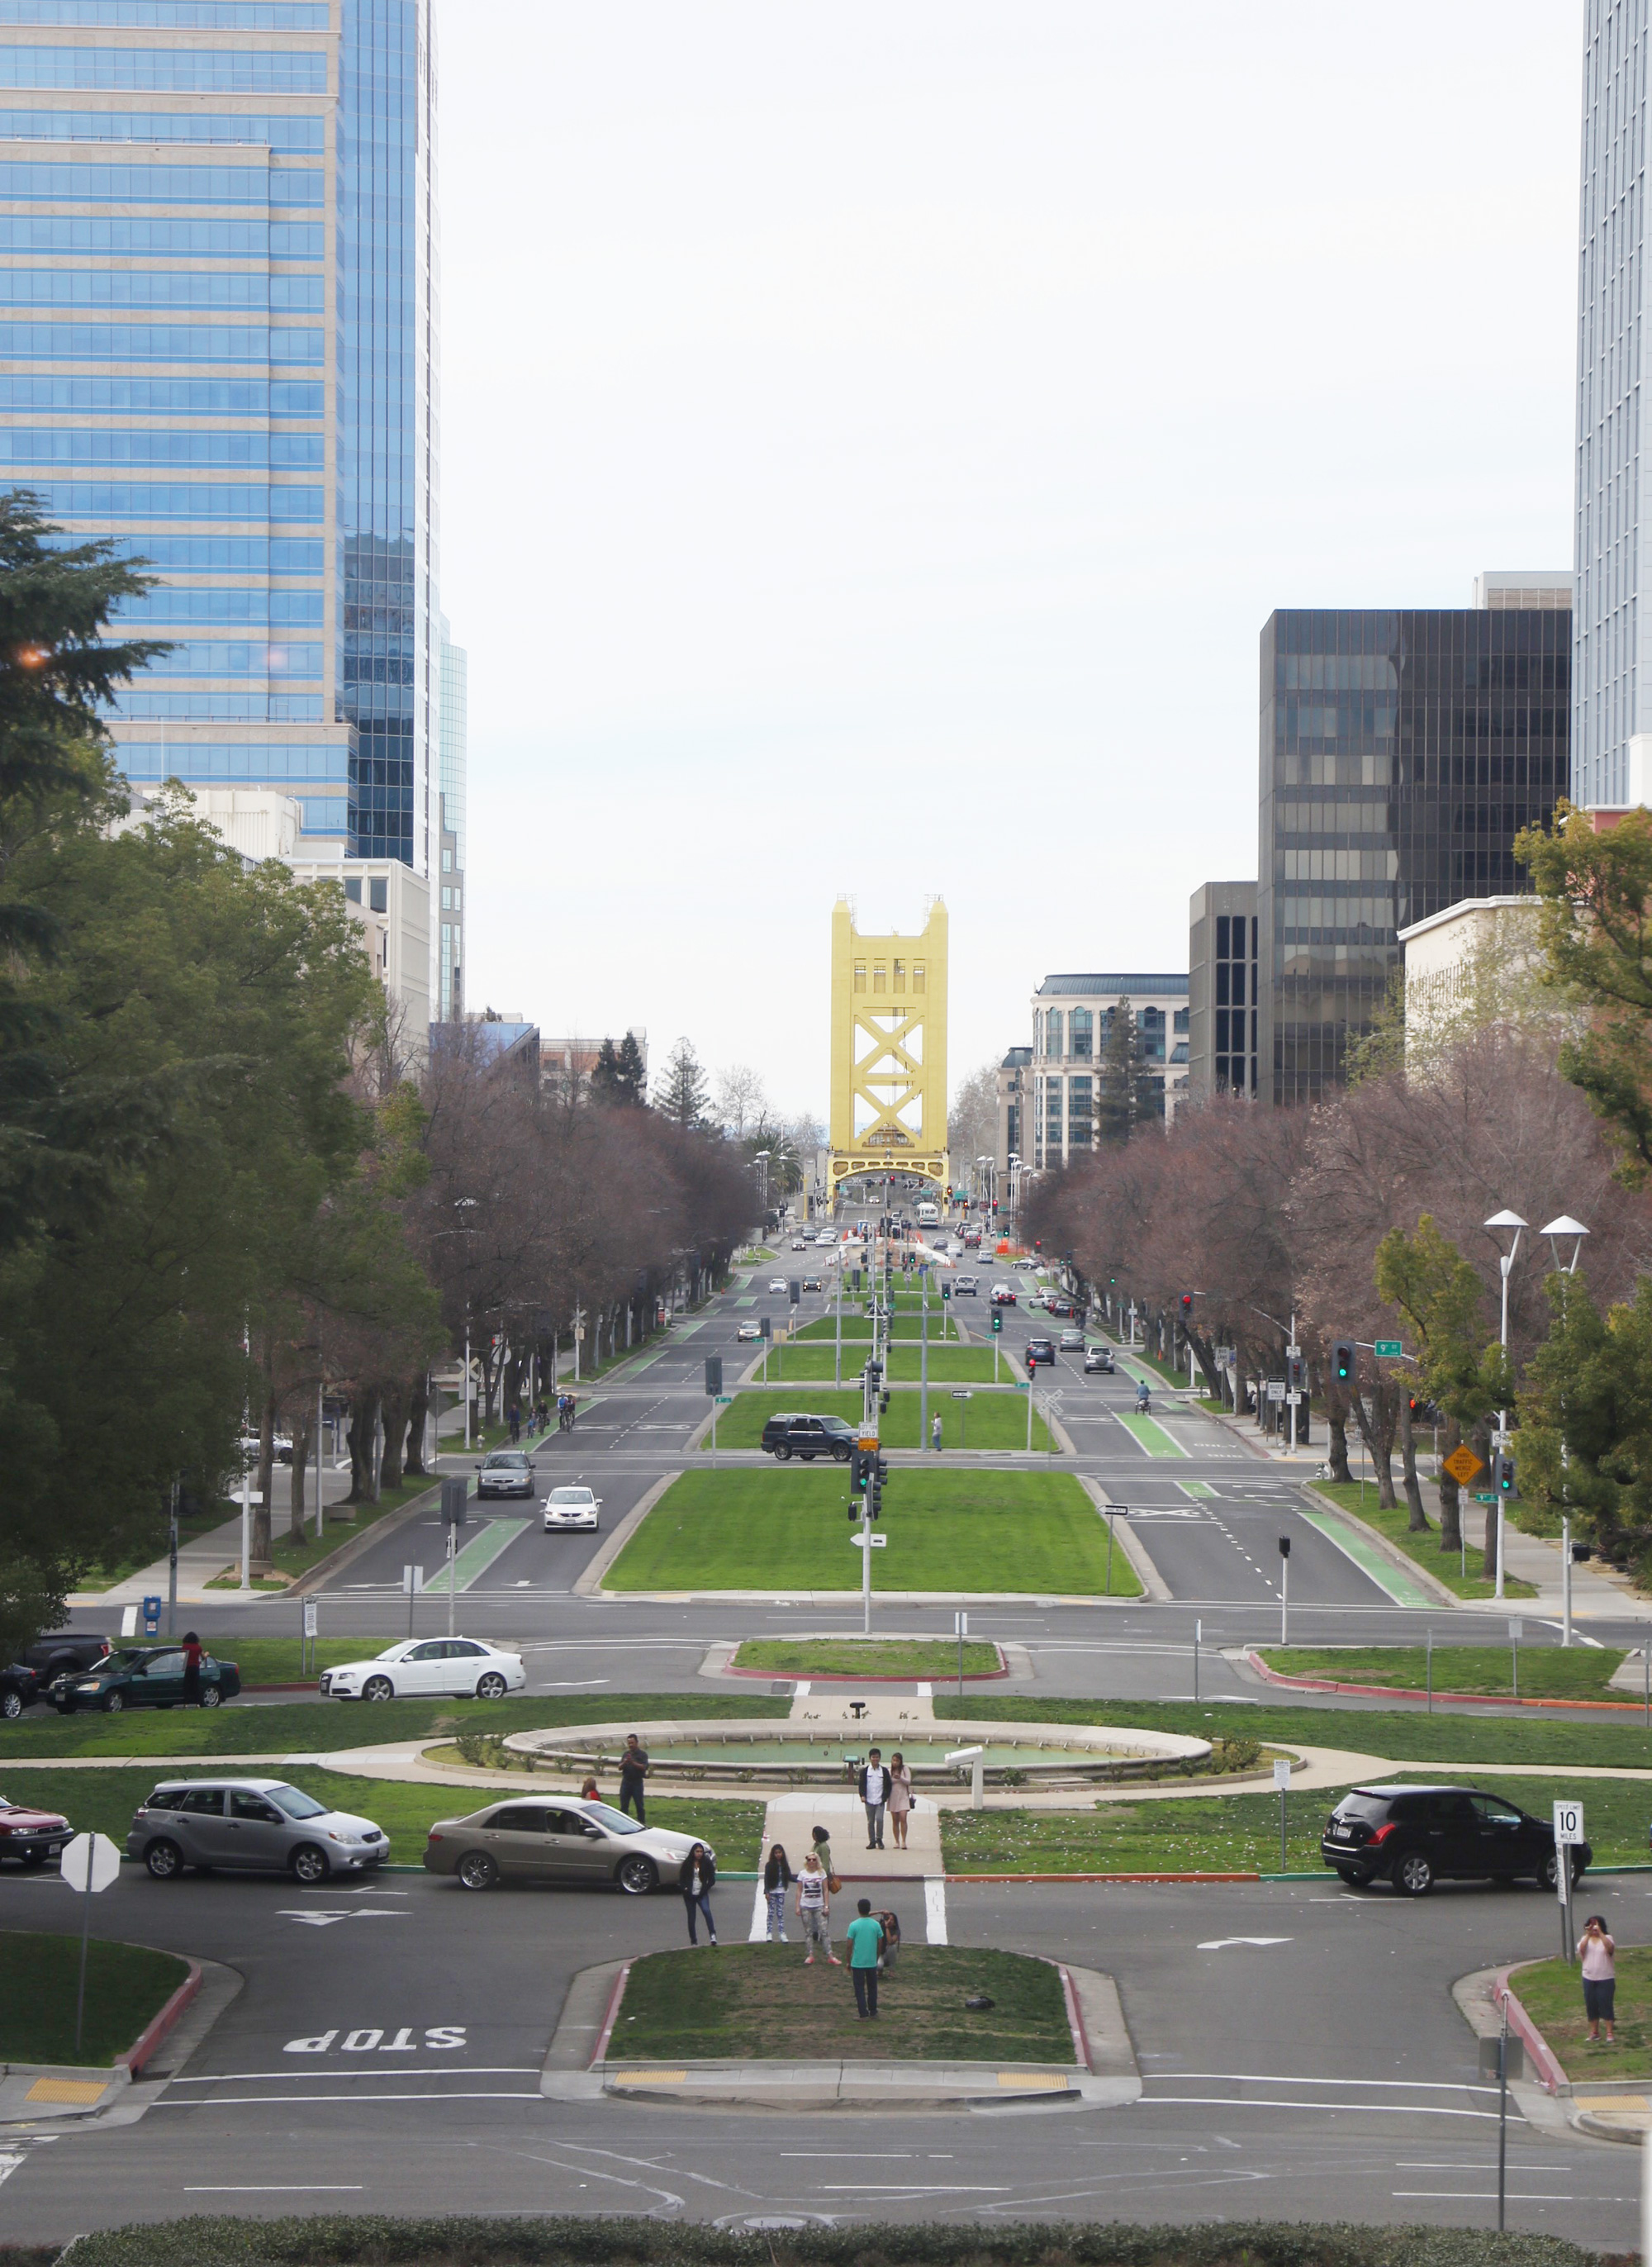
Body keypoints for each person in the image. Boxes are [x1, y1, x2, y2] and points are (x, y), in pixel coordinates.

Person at [795, 1851, 838, 1965]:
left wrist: (826, 1906)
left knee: (824, 1931)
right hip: (806, 1906)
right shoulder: (802, 1874)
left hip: (819, 1905)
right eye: (809, 1859)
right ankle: (810, 1955)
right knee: (808, 1932)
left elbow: (825, 1890)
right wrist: (797, 1906)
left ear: (817, 1861)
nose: (811, 1862)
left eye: (814, 1859)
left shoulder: (821, 1873)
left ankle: (830, 1955)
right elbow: (799, 1891)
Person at [1579, 1914, 1616, 2044]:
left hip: (1605, 1978)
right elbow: (1581, 1950)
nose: (1594, 1928)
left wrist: (1600, 1933)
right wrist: (1588, 1934)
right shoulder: (1586, 1939)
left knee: (1606, 2005)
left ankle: (1609, 2032)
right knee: (1591, 2005)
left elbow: (1610, 1949)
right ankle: (1594, 2032)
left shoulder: (1608, 1938)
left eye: (1596, 1925)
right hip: (1589, 1977)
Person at [846, 1896, 885, 2018]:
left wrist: (848, 1961)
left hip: (858, 1962)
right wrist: (876, 1956)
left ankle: (863, 2013)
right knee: (873, 1987)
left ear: (858, 1910)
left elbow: (849, 1945)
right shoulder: (876, 1925)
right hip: (871, 1962)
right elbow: (880, 1943)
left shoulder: (853, 1925)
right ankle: (873, 2011)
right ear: (869, 1909)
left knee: (859, 1989)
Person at [679, 1843, 717, 1945]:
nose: (699, 1854)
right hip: (689, 1895)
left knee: (707, 1911)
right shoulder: (687, 1863)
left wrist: (705, 1888)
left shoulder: (707, 1863)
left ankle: (712, 1935)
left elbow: (712, 1880)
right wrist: (685, 1889)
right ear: (693, 1852)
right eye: (697, 1851)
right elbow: (682, 1879)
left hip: (702, 1894)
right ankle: (693, 1941)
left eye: (701, 1852)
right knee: (691, 1917)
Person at [859, 1748, 890, 1849]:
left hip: (880, 1801)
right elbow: (861, 1785)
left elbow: (888, 1785)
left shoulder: (884, 1771)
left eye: (877, 1757)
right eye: (873, 1757)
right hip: (869, 1800)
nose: (875, 1759)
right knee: (870, 1821)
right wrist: (862, 1795)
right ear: (870, 1758)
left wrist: (886, 1797)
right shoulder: (865, 1771)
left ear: (880, 1758)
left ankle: (879, 1839)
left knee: (880, 1819)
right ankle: (872, 1841)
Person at [762, 1842, 793, 1942]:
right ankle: (769, 1933)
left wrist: (800, 1880)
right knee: (771, 1912)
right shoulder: (769, 1865)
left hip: (781, 1891)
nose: (778, 1855)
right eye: (776, 1853)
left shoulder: (784, 1865)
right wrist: (767, 1892)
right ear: (773, 1854)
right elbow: (766, 1879)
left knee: (780, 1913)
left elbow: (789, 1876)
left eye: (780, 1852)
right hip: (772, 1891)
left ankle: (782, 1933)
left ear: (782, 1853)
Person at [617, 1732, 649, 1823]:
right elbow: (619, 1767)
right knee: (624, 1805)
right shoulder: (626, 1754)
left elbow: (644, 1767)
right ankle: (623, 1823)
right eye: (629, 1743)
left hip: (637, 1783)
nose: (630, 1745)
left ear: (637, 1743)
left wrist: (633, 1762)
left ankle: (642, 1823)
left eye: (632, 1743)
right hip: (626, 1783)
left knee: (639, 1806)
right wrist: (625, 1762)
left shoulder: (642, 1754)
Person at [888, 1751, 913, 1850]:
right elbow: (888, 1782)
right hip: (893, 1796)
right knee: (895, 1820)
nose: (895, 1763)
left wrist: (900, 1777)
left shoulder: (905, 1769)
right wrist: (894, 1778)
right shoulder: (889, 1770)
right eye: (893, 1760)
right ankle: (896, 1841)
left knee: (903, 1818)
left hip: (903, 1796)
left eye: (897, 1761)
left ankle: (904, 1841)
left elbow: (908, 1781)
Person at [181, 1629, 204, 1708]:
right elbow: (203, 1657)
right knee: (196, 1685)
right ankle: (197, 1703)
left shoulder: (185, 1646)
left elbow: (182, 1658)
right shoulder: (198, 1647)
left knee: (187, 1685)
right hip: (195, 1667)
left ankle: (186, 1703)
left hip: (187, 1667)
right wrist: (207, 1654)